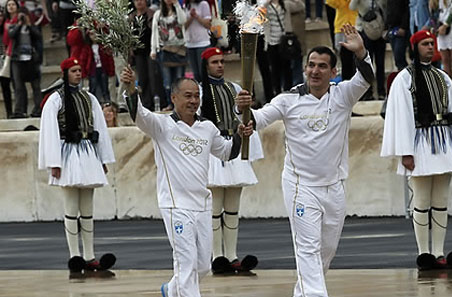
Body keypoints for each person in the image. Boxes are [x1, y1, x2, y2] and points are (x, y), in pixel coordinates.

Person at [235, 24, 374, 296]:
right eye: (311, 65)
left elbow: (366, 78)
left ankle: (304, 292)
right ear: (304, 68)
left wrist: (361, 52)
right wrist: (243, 111)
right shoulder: (288, 99)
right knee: (308, 247)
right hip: (301, 186)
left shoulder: (343, 95)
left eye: (322, 66)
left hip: (334, 186)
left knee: (325, 250)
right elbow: (258, 119)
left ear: (333, 72)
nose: (315, 71)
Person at [120, 67, 254, 297]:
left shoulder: (207, 128)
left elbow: (226, 153)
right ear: (173, 98)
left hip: (201, 205)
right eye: (187, 96)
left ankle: (171, 290)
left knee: (202, 265)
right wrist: (131, 88)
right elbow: (138, 114)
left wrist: (241, 134)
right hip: (175, 205)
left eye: (196, 96)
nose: (193, 101)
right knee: (186, 262)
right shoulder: (161, 126)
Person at [380, 30, 452, 270]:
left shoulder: (443, 77)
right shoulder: (404, 78)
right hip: (420, 142)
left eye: (432, 43)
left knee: (440, 200)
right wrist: (405, 151)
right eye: (425, 44)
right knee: (421, 199)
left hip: (443, 141)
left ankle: (439, 253)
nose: (430, 47)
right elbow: (401, 117)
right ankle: (424, 253)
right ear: (415, 47)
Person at [38, 57, 116, 273]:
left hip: (87, 152)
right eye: (73, 70)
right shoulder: (55, 99)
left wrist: (102, 159)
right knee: (71, 207)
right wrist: (54, 162)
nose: (78, 74)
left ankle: (90, 256)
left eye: (80, 70)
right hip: (67, 153)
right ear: (65, 73)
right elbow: (50, 133)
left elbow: (99, 129)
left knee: (87, 208)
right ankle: (74, 255)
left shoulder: (88, 98)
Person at [199, 47, 264, 274]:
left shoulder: (234, 88)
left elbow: (244, 118)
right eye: (215, 62)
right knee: (215, 207)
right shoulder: (200, 91)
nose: (220, 65)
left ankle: (232, 255)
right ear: (206, 65)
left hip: (233, 146)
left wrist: (241, 108)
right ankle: (216, 255)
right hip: (215, 150)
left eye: (222, 62)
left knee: (233, 206)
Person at [8, 5, 44, 118]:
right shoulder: (14, 26)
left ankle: (38, 109)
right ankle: (20, 111)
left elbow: (38, 36)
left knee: (36, 86)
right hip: (17, 60)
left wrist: (29, 24)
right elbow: (11, 35)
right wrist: (19, 24)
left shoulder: (33, 27)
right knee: (19, 87)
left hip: (32, 60)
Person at [151, 0, 187, 105]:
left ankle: (180, 104)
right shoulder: (158, 14)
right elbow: (155, 32)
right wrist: (153, 49)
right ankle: (170, 103)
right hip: (164, 50)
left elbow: (182, 21)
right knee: (167, 81)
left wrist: (176, 4)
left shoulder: (179, 12)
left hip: (179, 49)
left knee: (179, 79)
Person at [183, 0, 211, 82]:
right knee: (195, 74)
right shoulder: (185, 6)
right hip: (190, 43)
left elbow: (208, 24)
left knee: (203, 72)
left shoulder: (203, 4)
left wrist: (196, 16)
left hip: (202, 43)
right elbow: (183, 27)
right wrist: (191, 18)